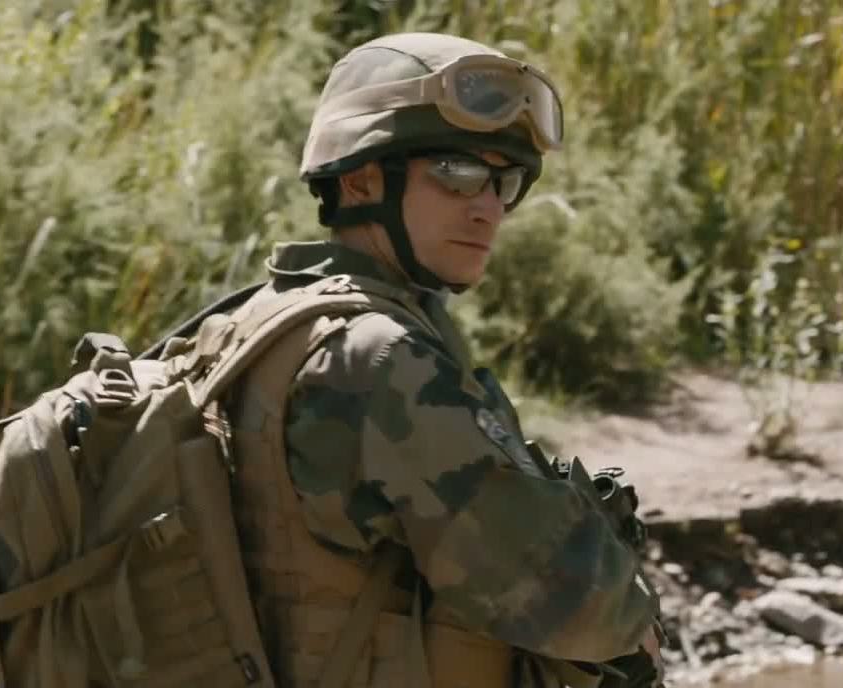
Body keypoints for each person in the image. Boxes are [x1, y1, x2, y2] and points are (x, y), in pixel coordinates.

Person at [222, 32, 664, 688]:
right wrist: (639, 620)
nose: (488, 208)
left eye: (504, 182)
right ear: (360, 178)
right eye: (455, 174)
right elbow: (577, 606)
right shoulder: (383, 358)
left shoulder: (255, 322)